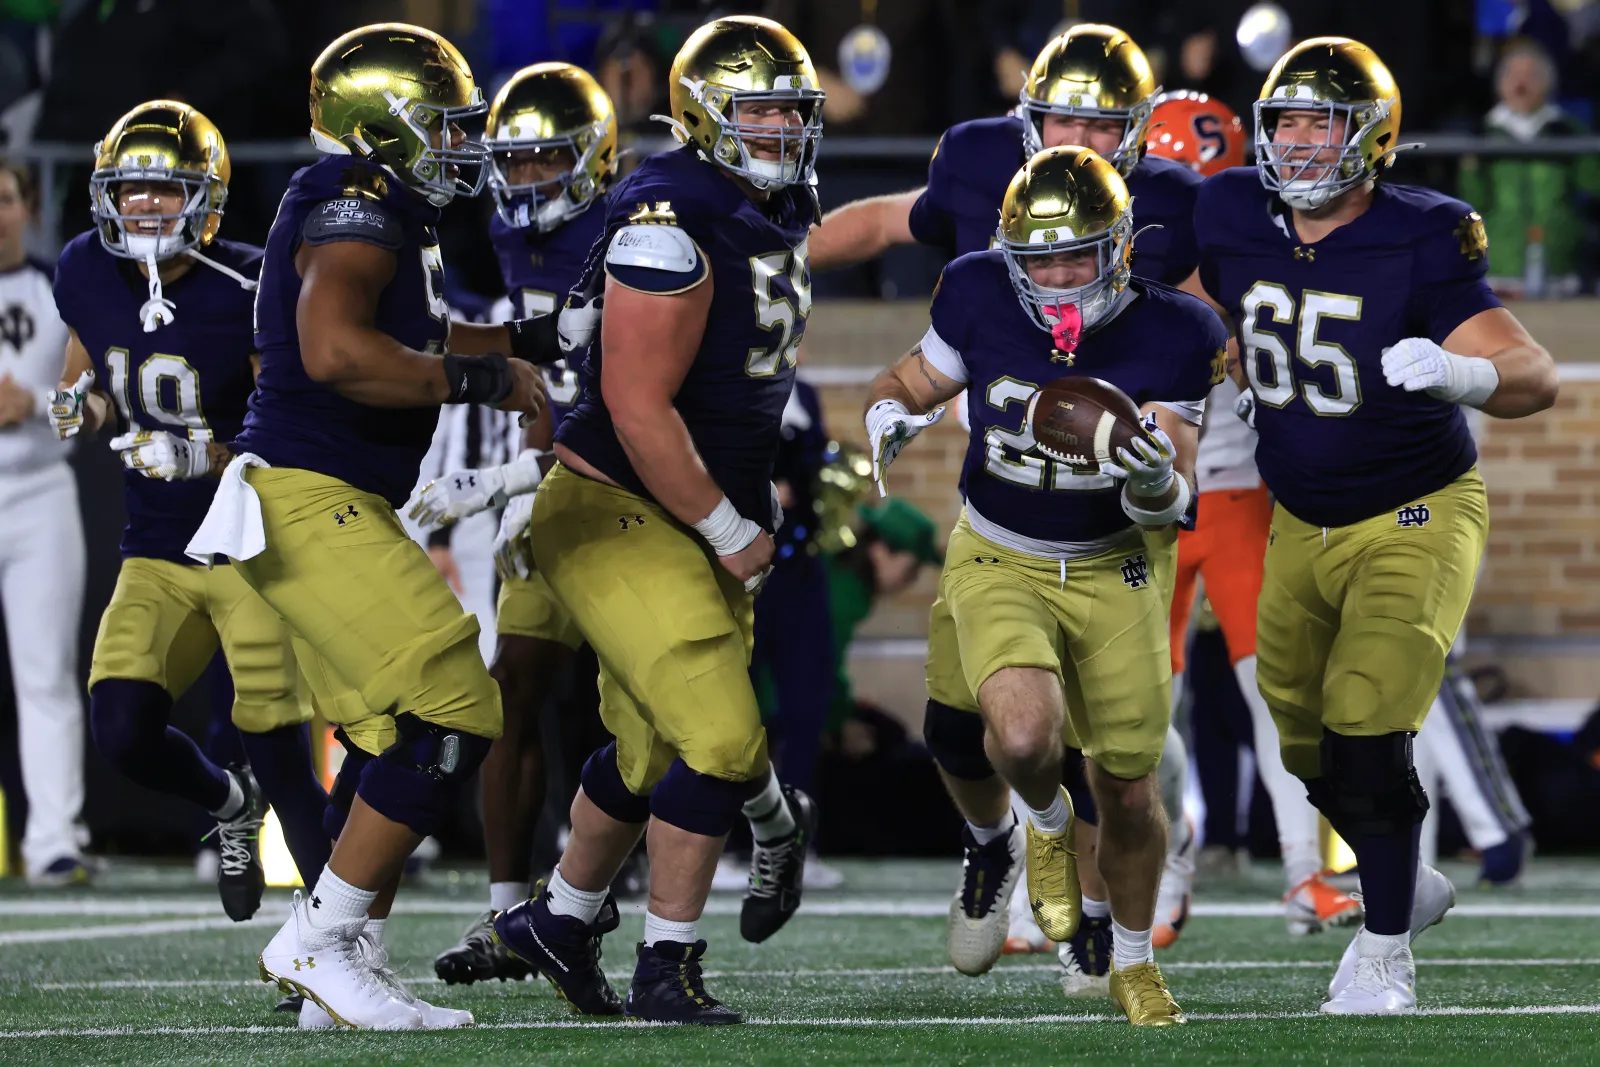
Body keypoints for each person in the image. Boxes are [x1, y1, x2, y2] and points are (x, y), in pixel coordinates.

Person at [808, 22, 1210, 977]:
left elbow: (1208, 332)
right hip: (1003, 518)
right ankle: (1000, 842)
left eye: (1100, 122)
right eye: (1060, 116)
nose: (1076, 137)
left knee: (1125, 757)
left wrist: (1155, 452)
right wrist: (775, 257)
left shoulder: (1174, 267)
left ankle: (1114, 919)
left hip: (1117, 525)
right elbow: (891, 237)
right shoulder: (981, 247)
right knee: (968, 732)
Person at [186, 24, 549, 1031]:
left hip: (323, 494)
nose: (460, 143)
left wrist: (525, 342)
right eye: (440, 123)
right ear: (379, 127)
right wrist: (473, 376)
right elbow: (338, 349)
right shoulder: (360, 202)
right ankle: (318, 937)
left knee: (398, 730)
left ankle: (343, 964)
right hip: (312, 491)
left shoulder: (379, 209)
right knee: (453, 702)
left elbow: (411, 335)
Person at [1197, 36, 1558, 1014]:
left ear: (1374, 135)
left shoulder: (1424, 233)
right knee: (1302, 738)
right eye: (1285, 120)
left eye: (1323, 119)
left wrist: (1460, 373)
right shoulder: (1228, 209)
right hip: (1296, 518)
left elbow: (1535, 375)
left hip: (1415, 507)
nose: (1300, 140)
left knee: (1367, 719)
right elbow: (1188, 297)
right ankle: (1402, 870)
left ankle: (1385, 945)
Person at [491, 15, 822, 1025]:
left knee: (650, 756)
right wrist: (729, 528)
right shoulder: (664, 215)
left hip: (689, 507)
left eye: (786, 109)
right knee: (722, 740)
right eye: (754, 106)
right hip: (625, 506)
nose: (775, 126)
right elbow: (635, 405)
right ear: (702, 113)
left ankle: (561, 914)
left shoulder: (758, 202)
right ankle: (663, 963)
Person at [867, 145, 1224, 1025]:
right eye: (1041, 257)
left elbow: (1179, 488)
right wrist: (885, 411)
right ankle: (1044, 825)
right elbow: (914, 378)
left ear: (1122, 248)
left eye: (1078, 254)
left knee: (1133, 789)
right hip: (1002, 551)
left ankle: (1132, 959)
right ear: (1009, 251)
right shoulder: (977, 287)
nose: (1059, 278)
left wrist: (1154, 484)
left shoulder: (1182, 329)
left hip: (1119, 562)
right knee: (1022, 739)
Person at [44, 101, 331, 918]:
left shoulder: (248, 284)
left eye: (164, 190)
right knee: (123, 727)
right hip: (158, 546)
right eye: (129, 189)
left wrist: (204, 454)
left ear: (205, 198)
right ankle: (227, 802)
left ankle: (341, 938)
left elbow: (294, 423)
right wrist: (84, 406)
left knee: (278, 746)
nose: (143, 207)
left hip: (248, 544)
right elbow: (92, 365)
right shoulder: (84, 269)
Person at [409, 60, 619, 988]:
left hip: (647, 486)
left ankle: (771, 819)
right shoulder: (499, 230)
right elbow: (546, 373)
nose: (528, 180)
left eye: (547, 161)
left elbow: (633, 401)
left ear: (597, 157)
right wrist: (529, 473)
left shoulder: (635, 231)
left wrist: (506, 476)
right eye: (516, 161)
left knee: (661, 712)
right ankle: (506, 914)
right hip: (558, 478)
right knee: (512, 685)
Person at [1144, 90, 1363, 941]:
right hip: (1154, 504)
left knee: (1273, 693)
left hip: (1237, 494)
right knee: (1140, 708)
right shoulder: (1104, 253)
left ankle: (1305, 870)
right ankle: (1165, 870)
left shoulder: (1262, 243)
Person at [0, 159, 89, 887]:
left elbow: (81, 411)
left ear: (26, 209)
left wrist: (35, 403)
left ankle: (56, 834)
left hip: (38, 494)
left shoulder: (57, 292)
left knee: (47, 670)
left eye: (3, 199)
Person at [1458, 38, 1600, 299]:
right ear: (1500, 84)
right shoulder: (1482, 134)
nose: (1521, 82)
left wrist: (1581, 144)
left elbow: (1592, 185)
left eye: (1532, 75)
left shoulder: (1566, 130)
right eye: (1513, 74)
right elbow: (1472, 202)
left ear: (1548, 83)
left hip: (1558, 266)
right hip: (1501, 266)